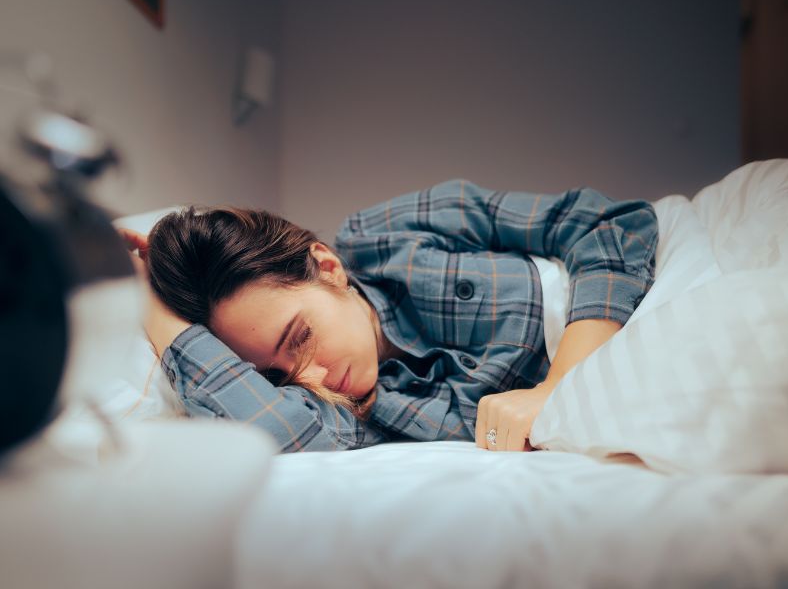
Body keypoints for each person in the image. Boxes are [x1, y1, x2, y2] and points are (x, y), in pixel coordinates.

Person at [120, 179, 658, 453]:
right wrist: (152, 306)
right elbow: (275, 429)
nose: (312, 378)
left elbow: (608, 224)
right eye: (278, 375)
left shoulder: (388, 237)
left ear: (327, 267)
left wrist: (556, 387)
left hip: (643, 293)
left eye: (301, 339)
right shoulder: (349, 413)